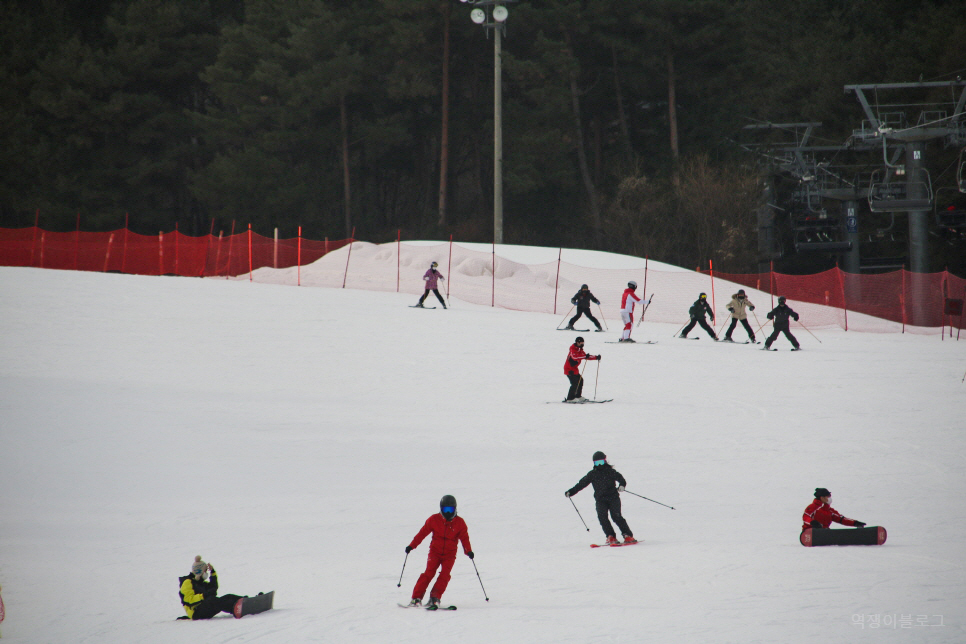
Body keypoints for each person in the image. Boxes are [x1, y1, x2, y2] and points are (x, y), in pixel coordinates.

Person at [405, 495, 473, 609]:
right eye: (445, 509)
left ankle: (435, 597)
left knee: (445, 575)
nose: (447, 512)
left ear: (455, 509)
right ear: (441, 508)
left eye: (450, 509)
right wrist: (412, 546)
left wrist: (469, 551)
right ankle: (416, 598)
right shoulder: (434, 519)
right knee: (429, 573)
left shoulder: (460, 523)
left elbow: (464, 539)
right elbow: (422, 533)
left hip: (449, 554)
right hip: (435, 552)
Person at [565, 452, 636, 545]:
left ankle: (627, 535)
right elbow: (581, 484)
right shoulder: (592, 474)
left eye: (601, 462)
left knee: (616, 516)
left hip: (613, 498)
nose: (599, 465)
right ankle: (610, 536)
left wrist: (622, 485)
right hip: (600, 500)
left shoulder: (611, 472)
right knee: (602, 517)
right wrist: (571, 491)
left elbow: (621, 479)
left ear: (605, 461)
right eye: (597, 463)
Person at [178, 556, 247, 620]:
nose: (206, 573)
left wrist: (213, 573)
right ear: (199, 571)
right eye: (205, 571)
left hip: (205, 607)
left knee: (227, 597)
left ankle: (246, 601)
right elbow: (188, 599)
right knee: (212, 600)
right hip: (196, 613)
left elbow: (213, 587)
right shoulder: (187, 582)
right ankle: (237, 609)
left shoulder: (201, 582)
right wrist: (203, 596)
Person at [563, 336, 600, 403]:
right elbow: (575, 357)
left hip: (574, 369)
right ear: (578, 342)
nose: (583, 344)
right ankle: (570, 398)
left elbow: (586, 356)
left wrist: (596, 357)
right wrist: (585, 356)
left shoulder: (580, 350)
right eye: (581, 343)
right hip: (569, 369)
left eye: (583, 343)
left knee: (580, 380)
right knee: (574, 383)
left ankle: (578, 396)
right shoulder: (572, 349)